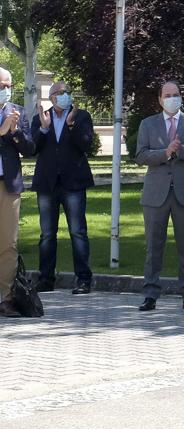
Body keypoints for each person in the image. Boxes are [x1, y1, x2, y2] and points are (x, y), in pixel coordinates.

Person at [135, 81, 184, 311]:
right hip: (156, 193)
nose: (172, 98)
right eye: (167, 95)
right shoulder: (148, 124)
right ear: (160, 99)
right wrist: (165, 153)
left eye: (175, 94)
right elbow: (141, 155)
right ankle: (150, 294)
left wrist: (182, 149)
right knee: (153, 246)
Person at [29, 79, 95, 294]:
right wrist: (45, 129)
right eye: (59, 92)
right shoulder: (41, 117)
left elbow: (86, 144)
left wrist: (71, 125)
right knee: (47, 234)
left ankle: (83, 279)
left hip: (73, 182)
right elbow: (31, 148)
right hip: (47, 184)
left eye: (67, 91)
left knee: (77, 232)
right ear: (51, 97)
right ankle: (46, 279)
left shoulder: (81, 116)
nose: (64, 95)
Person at [0, 68, 33, 316]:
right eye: (1, 85)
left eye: (8, 85)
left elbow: (30, 148)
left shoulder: (18, 111)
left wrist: (15, 132)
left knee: (8, 243)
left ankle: (6, 297)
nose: (5, 89)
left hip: (9, 185)